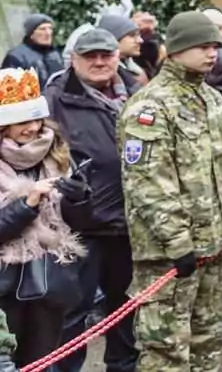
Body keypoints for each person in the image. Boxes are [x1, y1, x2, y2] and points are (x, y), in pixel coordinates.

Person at [119, 10, 222, 372]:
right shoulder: (151, 106)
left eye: (215, 46)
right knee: (167, 353)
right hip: (171, 258)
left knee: (207, 346)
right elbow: (147, 183)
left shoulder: (212, 99)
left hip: (214, 250)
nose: (212, 53)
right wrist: (177, 243)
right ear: (175, 50)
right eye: (202, 46)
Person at [46, 28, 140, 372]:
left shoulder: (137, 90)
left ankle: (122, 366)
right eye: (90, 56)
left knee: (125, 310)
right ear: (74, 59)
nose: (99, 62)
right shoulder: (56, 96)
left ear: (118, 56)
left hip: (129, 224)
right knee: (73, 313)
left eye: (107, 55)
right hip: (80, 225)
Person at [0, 66, 92, 369]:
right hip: (5, 290)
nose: (32, 127)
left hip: (52, 282)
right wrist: (27, 203)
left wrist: (79, 198)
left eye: (36, 118)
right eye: (21, 120)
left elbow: (79, 225)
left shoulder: (57, 154)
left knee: (42, 363)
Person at [5, 15, 61, 87]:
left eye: (50, 28)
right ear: (31, 34)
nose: (48, 33)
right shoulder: (16, 56)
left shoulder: (55, 54)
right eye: (42, 29)